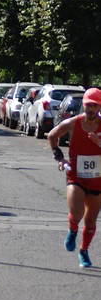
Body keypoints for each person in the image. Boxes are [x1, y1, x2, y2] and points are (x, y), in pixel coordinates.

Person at [48, 87, 101, 268]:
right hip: (75, 176)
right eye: (88, 105)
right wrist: (59, 157)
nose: (91, 109)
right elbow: (53, 135)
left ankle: (83, 251)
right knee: (77, 212)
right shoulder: (74, 123)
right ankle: (72, 229)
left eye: (95, 105)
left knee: (91, 221)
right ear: (83, 106)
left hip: (97, 180)